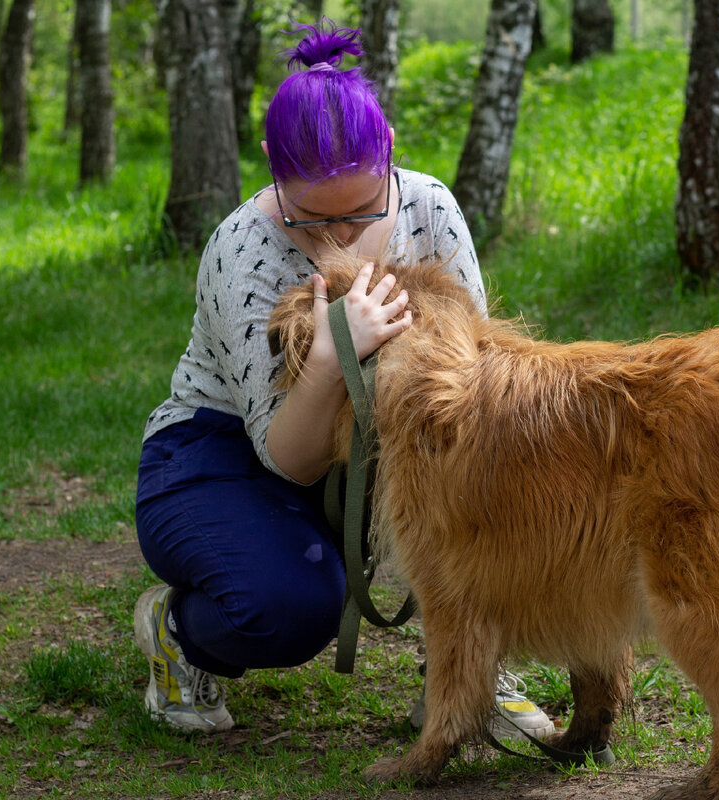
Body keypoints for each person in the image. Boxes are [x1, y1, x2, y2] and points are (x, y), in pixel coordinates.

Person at [132, 20, 553, 742]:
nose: (339, 238)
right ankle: (180, 633)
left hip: (382, 440)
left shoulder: (430, 207)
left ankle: (469, 679)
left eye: (359, 212)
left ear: (388, 144)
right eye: (311, 218)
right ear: (269, 165)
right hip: (226, 454)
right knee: (291, 606)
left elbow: (483, 386)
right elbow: (288, 458)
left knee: (500, 487)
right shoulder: (241, 247)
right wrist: (332, 353)